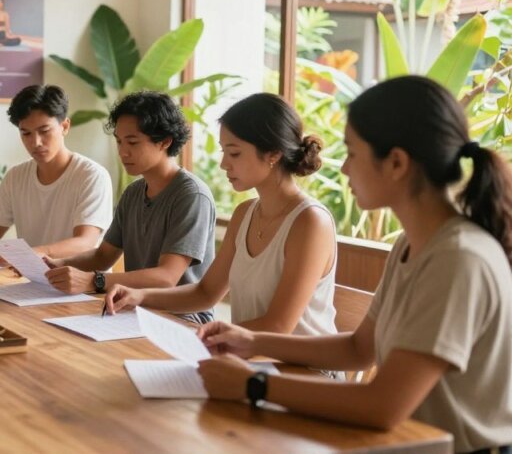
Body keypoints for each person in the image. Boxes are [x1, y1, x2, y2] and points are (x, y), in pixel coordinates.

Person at [196, 76, 512, 453]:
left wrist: (252, 385)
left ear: (396, 163)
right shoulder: (411, 243)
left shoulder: (459, 258)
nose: (343, 169)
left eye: (352, 153)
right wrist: (251, 341)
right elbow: (360, 349)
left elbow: (383, 405)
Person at [105, 93, 337, 336]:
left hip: (301, 368)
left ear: (273, 154)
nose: (224, 164)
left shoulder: (310, 222)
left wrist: (207, 336)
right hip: (247, 357)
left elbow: (278, 327)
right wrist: (139, 295)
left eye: (234, 153)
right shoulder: (245, 213)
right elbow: (205, 292)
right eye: (223, 151)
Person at [44, 91, 217, 323]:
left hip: (184, 317)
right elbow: (104, 256)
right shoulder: (134, 192)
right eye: (119, 141)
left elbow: (167, 278)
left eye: (133, 142)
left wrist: (93, 281)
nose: (123, 152)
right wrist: (60, 265)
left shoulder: (191, 195)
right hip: (135, 309)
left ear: (165, 141)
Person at [0, 85, 113, 265]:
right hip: (35, 281)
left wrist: (29, 254)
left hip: (84, 285)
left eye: (44, 131)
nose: (36, 142)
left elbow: (85, 243)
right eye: (26, 133)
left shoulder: (92, 176)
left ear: (64, 126)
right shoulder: (16, 177)